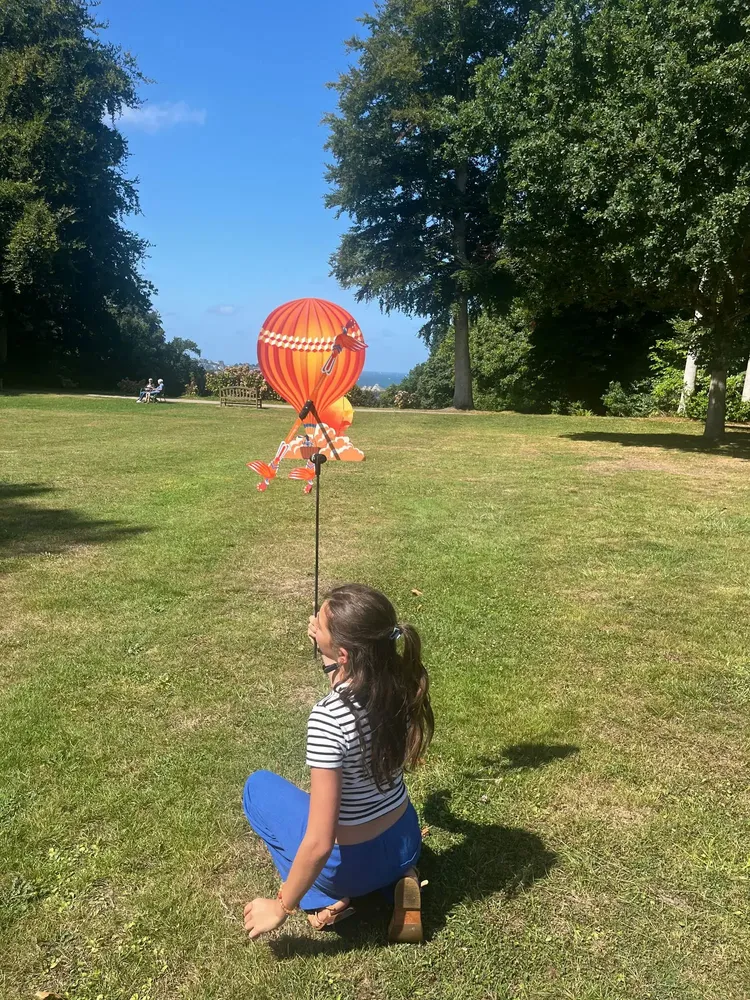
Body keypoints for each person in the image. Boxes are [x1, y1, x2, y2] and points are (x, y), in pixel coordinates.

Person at [242, 584, 434, 944]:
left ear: (344, 654)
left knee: (258, 787)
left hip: (349, 867)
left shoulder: (328, 719)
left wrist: (281, 906)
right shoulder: (402, 683)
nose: (314, 624)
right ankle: (400, 879)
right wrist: (326, 644)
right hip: (405, 841)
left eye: (321, 624)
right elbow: (349, 681)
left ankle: (322, 898)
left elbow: (320, 842)